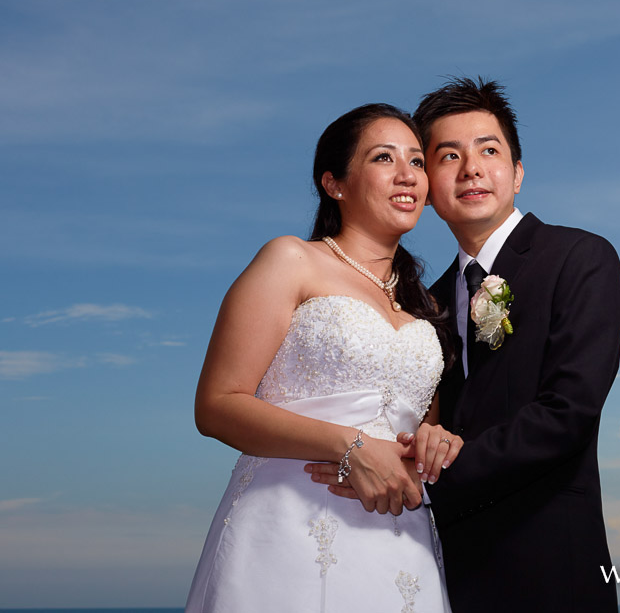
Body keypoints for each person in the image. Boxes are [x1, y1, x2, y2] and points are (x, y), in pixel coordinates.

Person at [312, 78, 620, 611]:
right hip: (443, 564)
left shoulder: (580, 257)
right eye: (448, 155)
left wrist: (426, 477)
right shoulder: (421, 304)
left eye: (489, 149)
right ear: (428, 181)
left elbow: (569, 413)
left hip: (552, 560)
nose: (471, 168)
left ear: (518, 173)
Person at [185, 103, 461, 612]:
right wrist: (349, 445)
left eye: (418, 162)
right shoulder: (290, 260)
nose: (408, 176)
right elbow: (217, 405)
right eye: (384, 158)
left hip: (400, 538)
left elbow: (413, 431)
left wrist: (431, 442)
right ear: (334, 183)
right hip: (288, 524)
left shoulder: (429, 305)